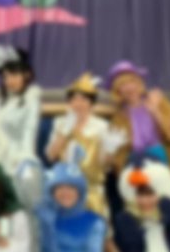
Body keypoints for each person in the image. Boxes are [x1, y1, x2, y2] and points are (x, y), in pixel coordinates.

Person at [106, 61, 170, 204]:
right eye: (123, 84)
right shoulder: (118, 119)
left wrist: (155, 111)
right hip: (139, 171)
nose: (129, 87)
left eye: (132, 82)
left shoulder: (158, 102)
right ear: (117, 91)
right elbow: (118, 155)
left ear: (139, 83)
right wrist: (127, 173)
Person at [45, 73, 124, 219]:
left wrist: (110, 151)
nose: (78, 104)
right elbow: (51, 156)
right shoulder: (59, 122)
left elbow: (105, 166)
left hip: (92, 189)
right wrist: (64, 132)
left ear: (91, 103)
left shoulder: (101, 126)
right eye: (74, 99)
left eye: (83, 99)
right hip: (65, 189)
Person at [36, 157, 124, 252]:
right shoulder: (46, 219)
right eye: (60, 187)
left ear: (80, 191)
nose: (65, 192)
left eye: (71, 187)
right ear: (52, 192)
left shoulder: (95, 221)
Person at [0, 44, 44, 210]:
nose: (9, 81)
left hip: (20, 159)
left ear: (26, 75)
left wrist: (23, 161)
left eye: (14, 75)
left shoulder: (31, 100)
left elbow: (29, 132)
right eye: (5, 77)